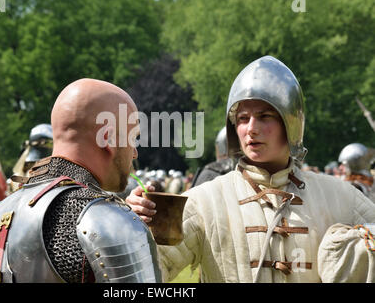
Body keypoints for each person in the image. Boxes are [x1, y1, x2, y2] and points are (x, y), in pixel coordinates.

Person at [126, 56, 375, 282]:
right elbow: (143, 274)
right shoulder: (202, 202)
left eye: (265, 116)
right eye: (243, 118)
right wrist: (133, 225)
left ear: (291, 123)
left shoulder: (340, 196)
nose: (251, 129)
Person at [0, 78, 161, 283]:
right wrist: (123, 225)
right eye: (131, 138)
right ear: (109, 139)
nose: (134, 153)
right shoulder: (106, 222)